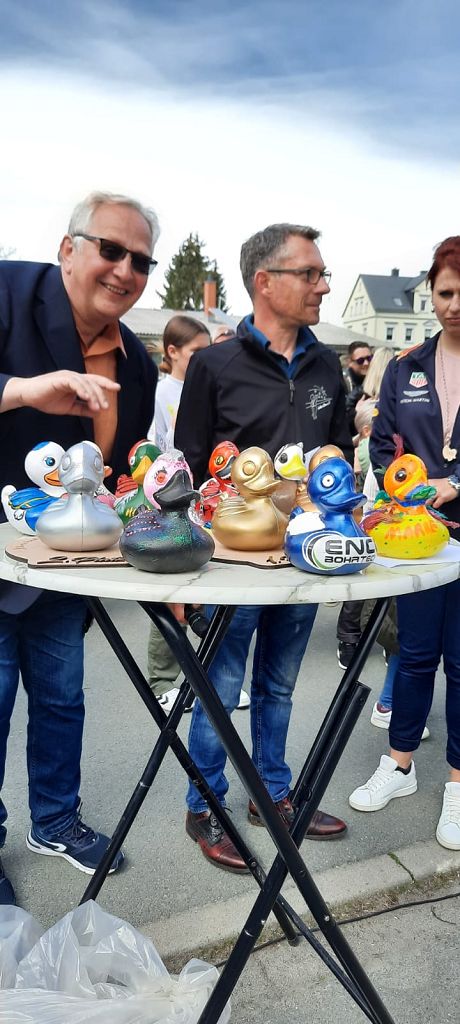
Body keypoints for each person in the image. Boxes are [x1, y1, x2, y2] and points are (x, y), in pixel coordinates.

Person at [175, 222, 351, 871]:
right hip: (233, 564)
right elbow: (187, 469)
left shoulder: (327, 364)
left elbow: (339, 450)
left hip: (304, 554)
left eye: (323, 273)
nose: (322, 285)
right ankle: (206, 805)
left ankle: (271, 795)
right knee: (221, 685)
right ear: (264, 282)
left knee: (277, 685)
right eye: (310, 273)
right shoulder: (214, 364)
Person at [0, 191, 159, 904]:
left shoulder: (138, 364)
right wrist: (22, 390)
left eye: (142, 261)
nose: (126, 270)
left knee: (63, 700)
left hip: (68, 570)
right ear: (68, 249)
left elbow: (122, 472)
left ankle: (55, 821)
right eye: (111, 250)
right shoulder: (8, 291)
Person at [349, 236, 460, 851]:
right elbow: (383, 443)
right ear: (431, 295)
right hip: (419, 539)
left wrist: (455, 482)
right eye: (445, 292)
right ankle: (400, 764)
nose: (454, 304)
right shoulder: (406, 366)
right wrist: (409, 492)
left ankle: (458, 784)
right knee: (413, 656)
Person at [336, 347, 393, 670]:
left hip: (387, 494)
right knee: (361, 568)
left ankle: (383, 637)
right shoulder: (368, 407)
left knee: (385, 576)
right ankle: (349, 637)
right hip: (369, 495)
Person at [342, 340, 373, 433]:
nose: (366, 363)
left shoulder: (374, 379)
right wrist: (355, 411)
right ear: (350, 362)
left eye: (369, 358)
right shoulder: (343, 382)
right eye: (360, 360)